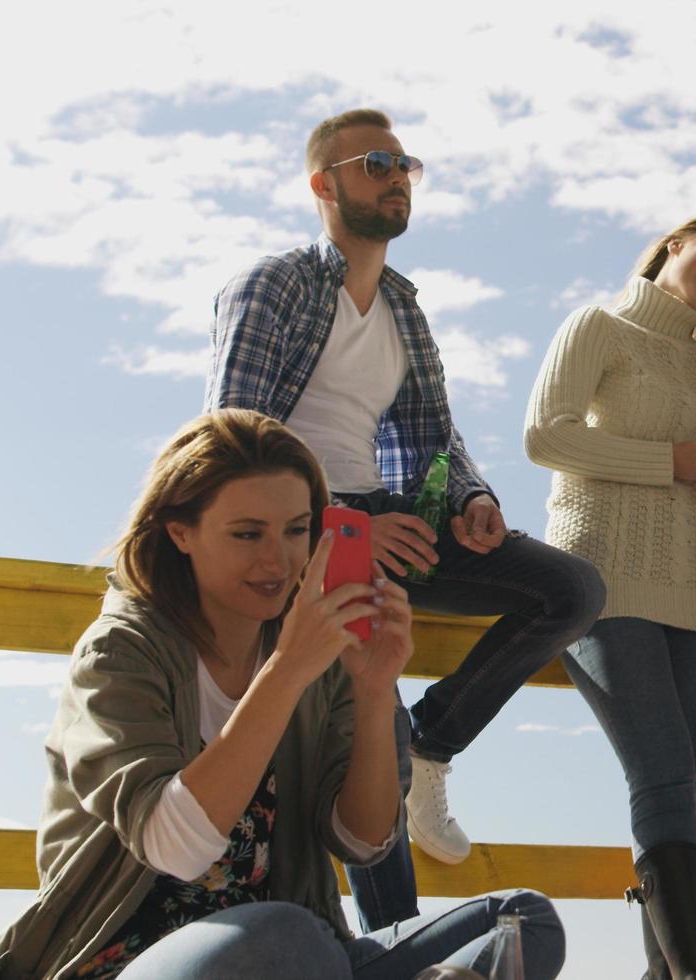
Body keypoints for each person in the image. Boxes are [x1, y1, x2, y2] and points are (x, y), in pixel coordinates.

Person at [0, 411, 564, 980]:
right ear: (179, 532)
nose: (278, 559)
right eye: (247, 533)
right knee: (284, 938)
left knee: (523, 921)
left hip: (300, 957)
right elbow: (173, 848)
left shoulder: (315, 643)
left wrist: (372, 688)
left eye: (297, 530)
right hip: (133, 959)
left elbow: (363, 841)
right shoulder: (122, 653)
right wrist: (285, 672)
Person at [206, 108, 605, 929]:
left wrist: (471, 499)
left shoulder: (401, 308)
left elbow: (433, 438)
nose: (395, 178)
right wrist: (336, 527)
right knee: (366, 724)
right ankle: (396, 943)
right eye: (376, 163)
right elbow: (232, 440)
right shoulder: (273, 284)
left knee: (569, 591)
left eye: (404, 165)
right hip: (303, 530)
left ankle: (438, 740)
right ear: (324, 185)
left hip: (389, 521)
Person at [523, 211, 696, 978]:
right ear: (677, 243)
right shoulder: (596, 324)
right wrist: (674, 459)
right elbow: (546, 436)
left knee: (680, 791)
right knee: (663, 778)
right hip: (604, 576)